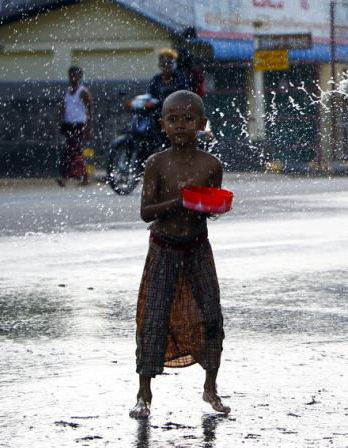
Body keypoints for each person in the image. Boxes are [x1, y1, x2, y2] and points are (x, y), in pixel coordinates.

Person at [130, 90, 229, 419]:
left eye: (188, 119)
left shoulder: (211, 165)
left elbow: (210, 209)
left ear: (201, 124)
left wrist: (210, 204)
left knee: (212, 316)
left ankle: (210, 387)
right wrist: (179, 201)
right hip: (163, 248)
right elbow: (146, 212)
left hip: (198, 248)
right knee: (153, 318)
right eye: (173, 120)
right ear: (163, 125)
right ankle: (144, 392)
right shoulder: (156, 164)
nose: (181, 125)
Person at [55, 66, 93, 187]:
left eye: (75, 75)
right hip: (68, 125)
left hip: (79, 124)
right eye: (71, 75)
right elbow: (62, 107)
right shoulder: (67, 92)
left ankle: (65, 177)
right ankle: (84, 176)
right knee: (74, 151)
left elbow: (90, 110)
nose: (73, 78)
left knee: (71, 151)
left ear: (80, 77)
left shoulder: (83, 92)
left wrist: (88, 128)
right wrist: (55, 119)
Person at [148, 48, 189, 150]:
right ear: (159, 65)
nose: (166, 66)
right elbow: (150, 95)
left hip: (177, 113)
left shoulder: (180, 77)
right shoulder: (156, 79)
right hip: (159, 113)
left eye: (169, 62)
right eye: (163, 63)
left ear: (173, 64)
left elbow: (185, 94)